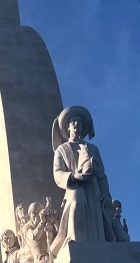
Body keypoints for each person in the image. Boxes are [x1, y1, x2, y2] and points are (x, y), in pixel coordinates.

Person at [50, 105, 116, 254]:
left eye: (79, 122)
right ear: (68, 127)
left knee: (95, 217)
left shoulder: (93, 148)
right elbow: (57, 172)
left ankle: (95, 244)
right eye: (74, 122)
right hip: (74, 185)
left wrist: (105, 194)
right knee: (76, 202)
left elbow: (101, 176)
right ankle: (75, 238)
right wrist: (73, 177)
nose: (77, 125)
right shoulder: (62, 149)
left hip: (92, 189)